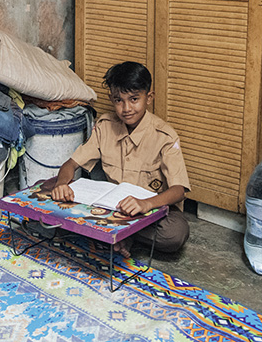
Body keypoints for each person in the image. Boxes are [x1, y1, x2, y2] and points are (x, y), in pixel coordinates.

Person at [51, 61, 190, 257]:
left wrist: (146, 204)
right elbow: (71, 164)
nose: (126, 108)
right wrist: (61, 184)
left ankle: (117, 235)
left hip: (152, 210)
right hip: (114, 208)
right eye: (118, 100)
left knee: (174, 234)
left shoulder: (164, 136)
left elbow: (179, 190)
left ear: (149, 98)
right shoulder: (105, 126)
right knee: (59, 206)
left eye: (134, 99)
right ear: (112, 99)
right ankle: (119, 235)